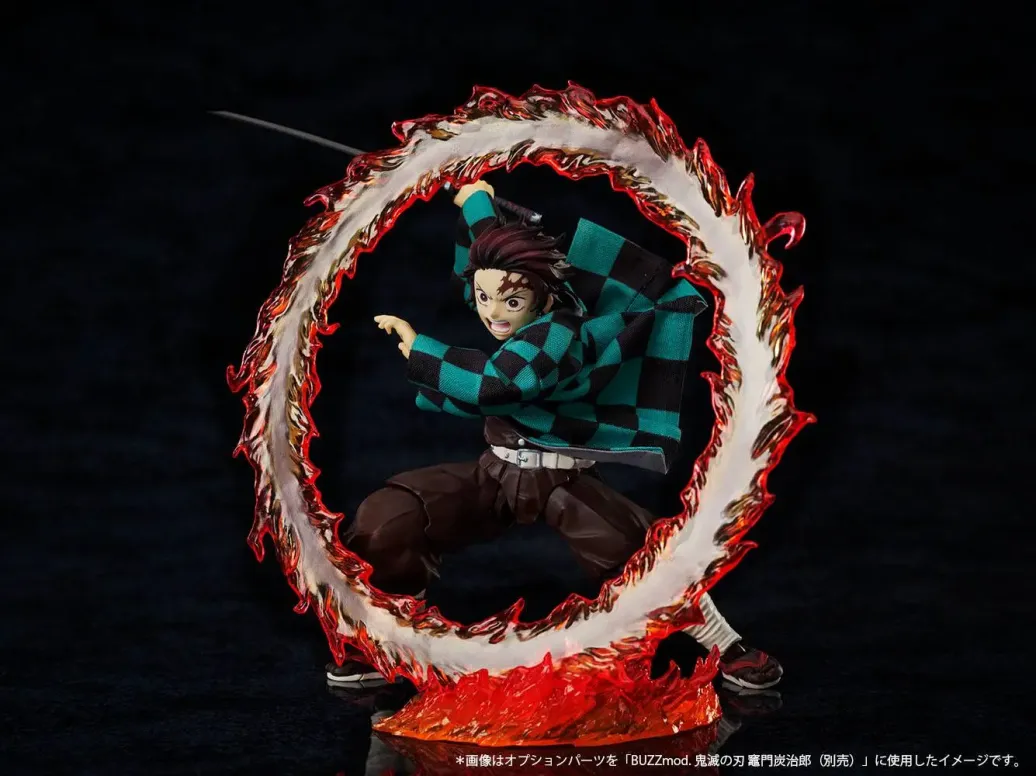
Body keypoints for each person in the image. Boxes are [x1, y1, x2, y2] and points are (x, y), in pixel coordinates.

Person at [330, 180, 782, 690]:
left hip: (560, 480)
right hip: (496, 473)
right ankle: (386, 642)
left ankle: (727, 646)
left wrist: (419, 349)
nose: (493, 313)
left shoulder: (558, 333)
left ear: (544, 296)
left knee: (640, 557)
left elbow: (497, 385)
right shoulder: (525, 300)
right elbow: (491, 257)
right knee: (391, 518)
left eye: (512, 301)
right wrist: (476, 200)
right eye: (484, 298)